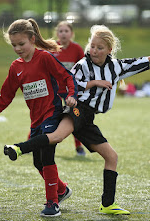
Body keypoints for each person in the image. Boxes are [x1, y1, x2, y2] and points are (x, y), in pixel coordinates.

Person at [4, 24, 150, 215]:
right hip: (78, 109)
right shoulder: (83, 65)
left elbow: (139, 62)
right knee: (56, 136)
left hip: (88, 118)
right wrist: (94, 83)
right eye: (92, 46)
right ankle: (20, 148)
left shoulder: (115, 67)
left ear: (109, 50)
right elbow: (71, 81)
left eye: (99, 48)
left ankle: (107, 204)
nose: (94, 51)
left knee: (111, 157)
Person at [0, 19, 78, 217]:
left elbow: (67, 76)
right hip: (36, 120)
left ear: (32, 39)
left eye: (21, 44)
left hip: (52, 113)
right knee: (37, 163)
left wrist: (71, 94)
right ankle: (62, 189)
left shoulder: (45, 58)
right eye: (14, 45)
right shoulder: (15, 67)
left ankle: (52, 203)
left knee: (47, 155)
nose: (17, 48)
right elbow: (5, 96)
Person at [53, 21, 86, 156]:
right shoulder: (52, 48)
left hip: (70, 91)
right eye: (61, 31)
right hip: (54, 90)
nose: (63, 33)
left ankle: (78, 146)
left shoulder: (77, 49)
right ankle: (31, 142)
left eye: (66, 31)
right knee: (47, 116)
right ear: (57, 33)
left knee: (73, 117)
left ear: (71, 34)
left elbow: (83, 68)